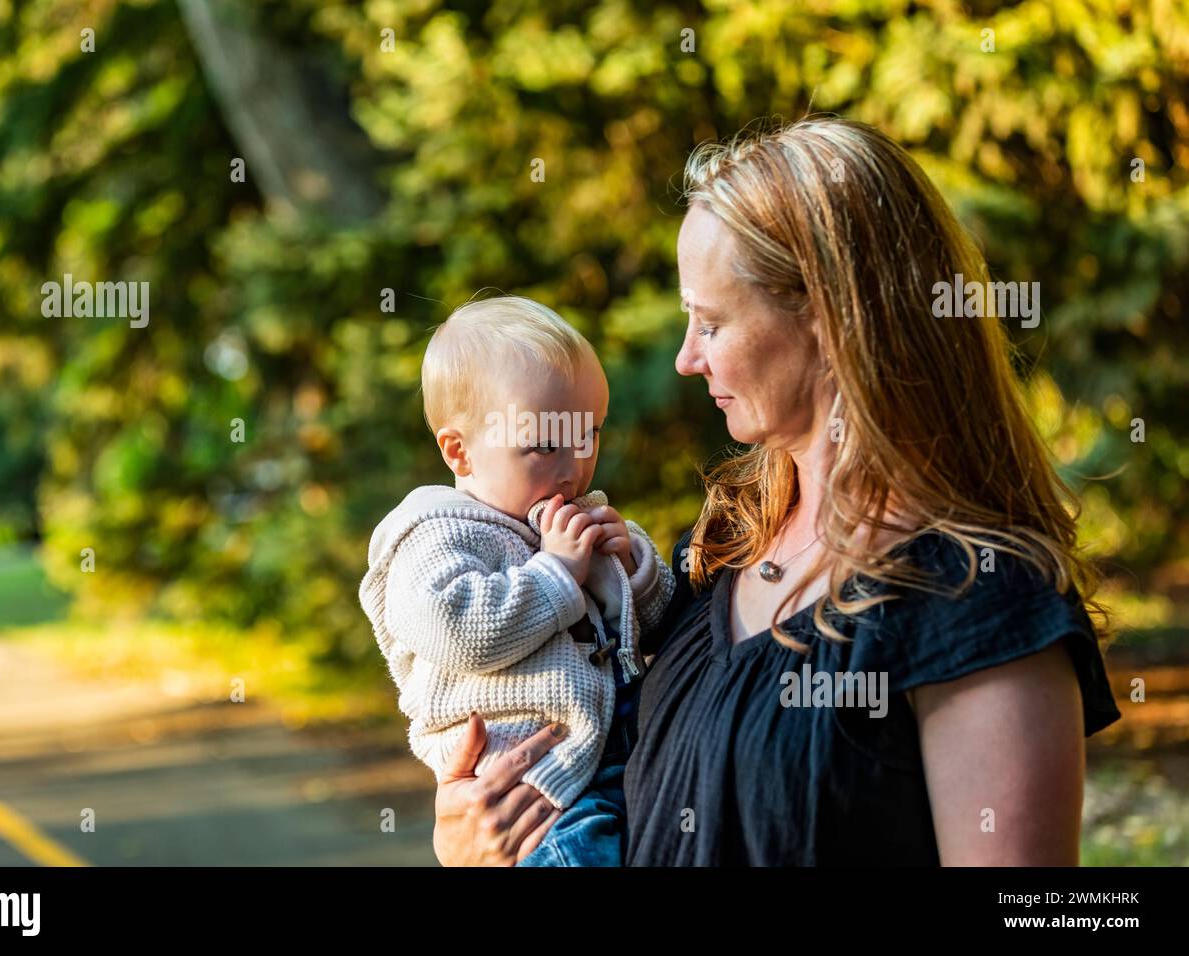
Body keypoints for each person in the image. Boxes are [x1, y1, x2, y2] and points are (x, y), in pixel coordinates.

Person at [429, 116, 1122, 866]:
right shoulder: (720, 550)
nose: (686, 359)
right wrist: (471, 840)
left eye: (712, 323)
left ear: (830, 316)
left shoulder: (976, 602)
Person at [358, 295, 674, 867]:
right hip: (529, 787)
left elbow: (660, 629)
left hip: (612, 754)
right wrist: (556, 572)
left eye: (590, 435)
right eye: (543, 444)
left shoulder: (572, 521)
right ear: (459, 451)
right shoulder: (434, 534)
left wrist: (633, 569)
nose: (573, 466)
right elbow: (456, 631)